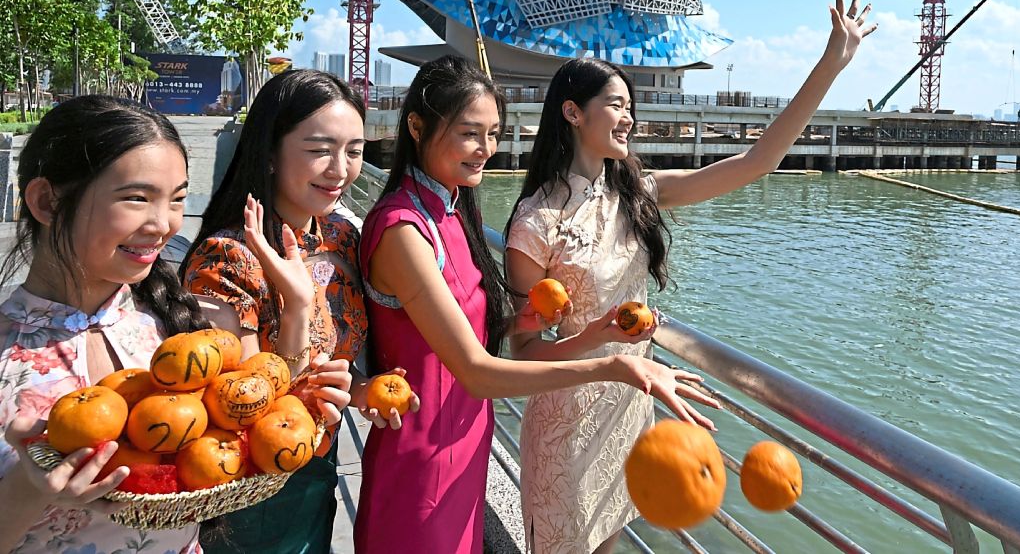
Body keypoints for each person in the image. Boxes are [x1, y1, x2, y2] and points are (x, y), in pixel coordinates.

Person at [505, 0, 876, 554]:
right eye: (616, 105)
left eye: (632, 106)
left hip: (630, 409)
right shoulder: (535, 223)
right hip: (566, 420)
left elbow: (759, 161)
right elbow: (522, 355)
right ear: (573, 112)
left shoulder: (640, 195)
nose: (628, 118)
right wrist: (600, 334)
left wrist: (832, 63)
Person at [353, 55, 717, 554]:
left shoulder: (453, 216)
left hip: (465, 449)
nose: (485, 149)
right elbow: (479, 372)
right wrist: (612, 364)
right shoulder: (404, 230)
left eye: (493, 133)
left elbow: (489, 336)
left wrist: (537, 324)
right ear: (416, 126)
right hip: (420, 460)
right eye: (469, 133)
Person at [0, 95, 212, 554]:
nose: (164, 225)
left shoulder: (170, 324)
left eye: (177, 200)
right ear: (45, 201)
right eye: (137, 198)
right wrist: (30, 484)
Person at [181, 70, 370, 554]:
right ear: (269, 151)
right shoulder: (226, 259)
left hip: (318, 468)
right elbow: (237, 408)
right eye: (319, 149)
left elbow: (334, 365)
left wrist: (359, 390)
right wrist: (297, 310)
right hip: (253, 489)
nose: (340, 169)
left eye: (354, 150)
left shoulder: (339, 238)